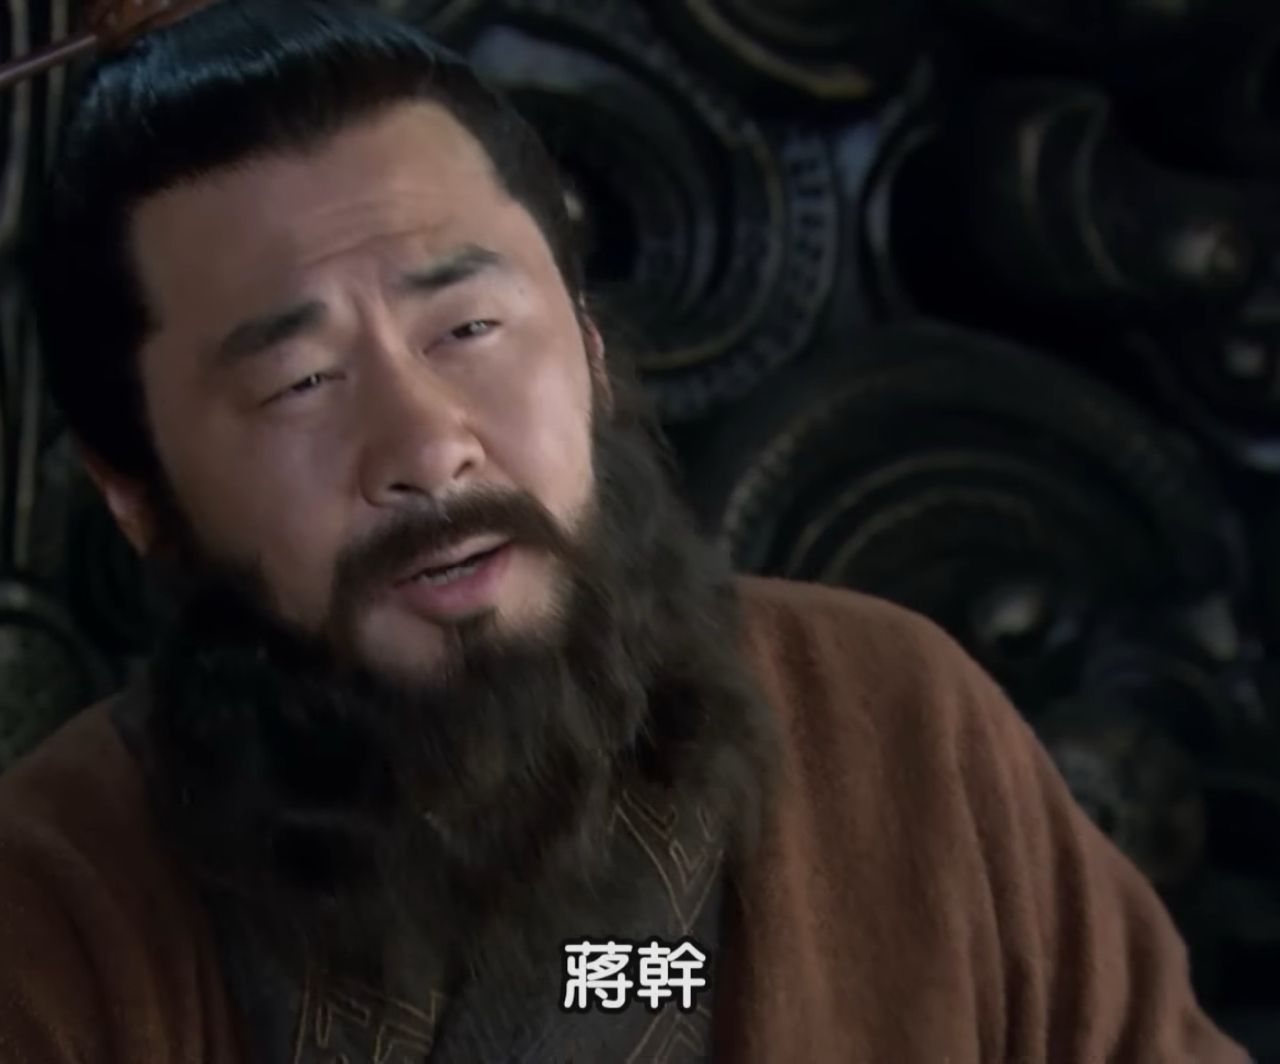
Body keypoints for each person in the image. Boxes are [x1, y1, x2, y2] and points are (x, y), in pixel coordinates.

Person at [0, 2, 1251, 1061]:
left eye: (469, 328)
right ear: (137, 494)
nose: (428, 446)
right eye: (299, 382)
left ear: (591, 348)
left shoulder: (892, 721)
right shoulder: (52, 910)